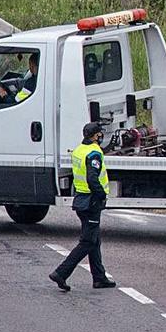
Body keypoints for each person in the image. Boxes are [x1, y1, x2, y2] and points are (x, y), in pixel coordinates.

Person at [49, 122, 117, 291]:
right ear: (95, 136)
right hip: (91, 201)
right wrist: (101, 194)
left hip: (81, 199)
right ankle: (61, 273)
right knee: (87, 242)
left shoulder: (79, 150)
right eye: (100, 134)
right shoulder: (93, 153)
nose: (101, 136)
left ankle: (99, 278)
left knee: (95, 239)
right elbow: (92, 178)